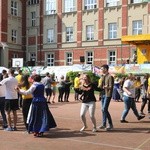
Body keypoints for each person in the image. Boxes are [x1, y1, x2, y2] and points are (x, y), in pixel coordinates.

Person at [98, 64, 114, 131]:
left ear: (105, 69)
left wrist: (106, 87)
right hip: (102, 94)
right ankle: (104, 124)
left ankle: (110, 124)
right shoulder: (102, 77)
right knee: (103, 109)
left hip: (107, 94)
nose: (101, 70)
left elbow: (111, 86)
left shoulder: (110, 77)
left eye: (101, 69)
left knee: (104, 109)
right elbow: (100, 86)